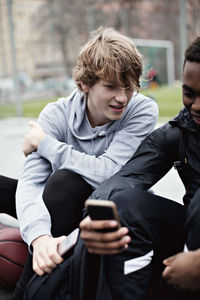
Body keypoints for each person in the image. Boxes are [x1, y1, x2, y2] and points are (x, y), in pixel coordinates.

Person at [0, 27, 158, 299]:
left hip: (113, 210)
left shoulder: (142, 109)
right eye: (111, 87)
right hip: (60, 204)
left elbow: (111, 173)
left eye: (129, 87)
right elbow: (30, 184)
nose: (122, 97)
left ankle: (26, 292)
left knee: (63, 181)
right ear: (85, 83)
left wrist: (46, 145)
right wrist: (39, 240)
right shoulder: (56, 114)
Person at [80, 36, 200, 300]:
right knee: (125, 203)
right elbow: (126, 177)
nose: (197, 106)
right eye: (190, 93)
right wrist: (92, 218)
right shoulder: (178, 133)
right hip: (190, 235)